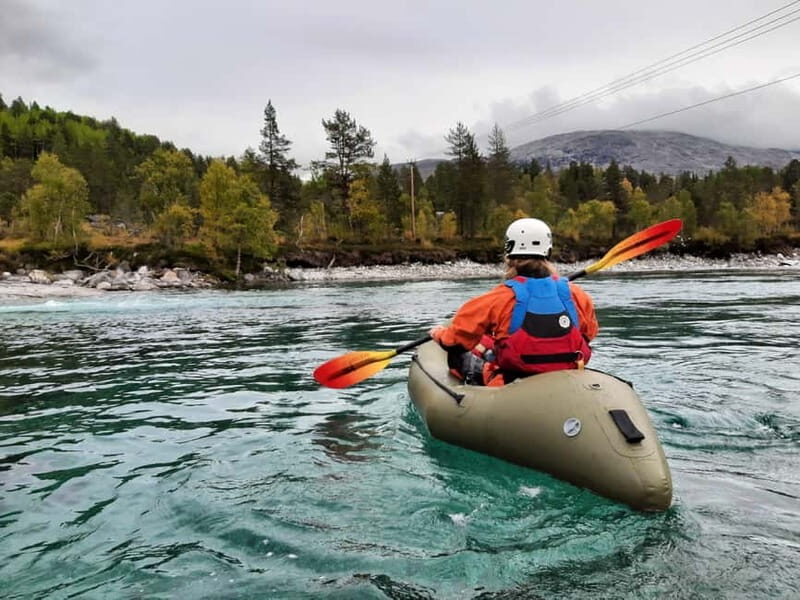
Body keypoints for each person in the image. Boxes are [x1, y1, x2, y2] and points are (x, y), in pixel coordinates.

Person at [429, 217, 598, 386]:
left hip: (512, 385)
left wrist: (438, 334)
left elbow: (455, 342)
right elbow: (588, 334)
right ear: (548, 252)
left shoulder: (497, 298)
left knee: (464, 354)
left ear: (508, 255)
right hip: (568, 380)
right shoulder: (577, 294)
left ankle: (474, 379)